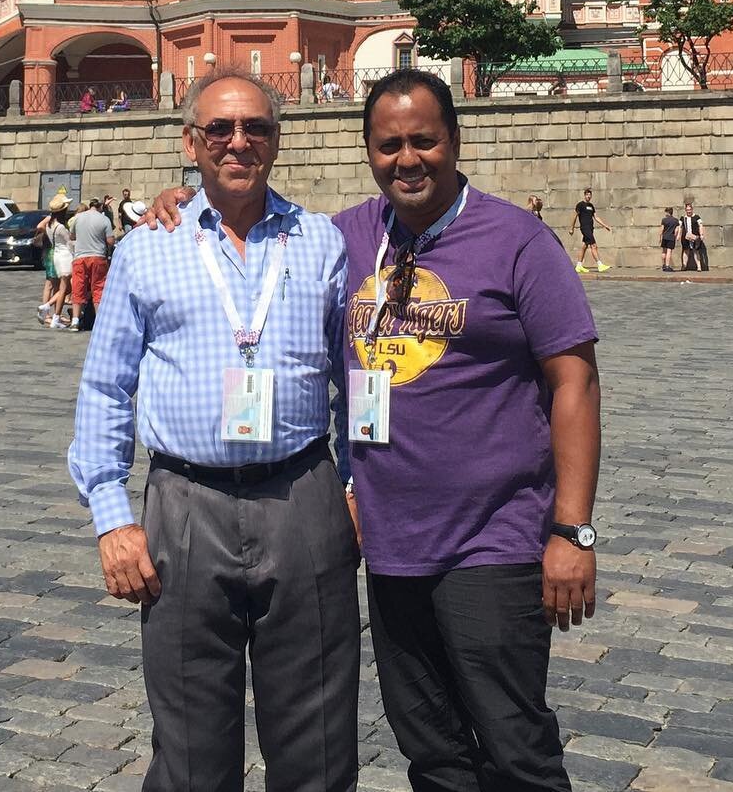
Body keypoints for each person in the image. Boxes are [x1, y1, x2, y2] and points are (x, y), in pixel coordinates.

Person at [148, 69, 601, 792]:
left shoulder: (519, 240)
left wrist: (572, 530)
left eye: (424, 140)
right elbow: (254, 231)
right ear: (368, 151)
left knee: (514, 746)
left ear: (455, 140)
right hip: (388, 542)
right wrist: (179, 200)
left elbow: (573, 382)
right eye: (389, 144)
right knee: (433, 748)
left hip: (493, 538)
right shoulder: (347, 237)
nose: (407, 158)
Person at [69, 71, 357, 792]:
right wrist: (111, 517)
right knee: (192, 746)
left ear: (277, 141)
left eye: (255, 127)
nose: (239, 141)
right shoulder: (147, 246)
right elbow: (106, 387)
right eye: (220, 129)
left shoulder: (321, 240)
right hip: (184, 502)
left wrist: (356, 485)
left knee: (317, 740)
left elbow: (355, 381)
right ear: (190, 143)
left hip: (303, 495)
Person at [69, 196, 114, 332]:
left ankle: (75, 320)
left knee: (78, 287)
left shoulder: (78, 218)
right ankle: (99, 320)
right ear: (100, 206)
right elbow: (110, 240)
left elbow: (72, 236)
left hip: (80, 257)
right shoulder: (104, 219)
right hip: (98, 256)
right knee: (98, 288)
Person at [37, 193, 74, 328]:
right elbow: (69, 242)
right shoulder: (60, 227)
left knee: (64, 287)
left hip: (57, 255)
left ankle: (52, 312)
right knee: (65, 288)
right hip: (65, 256)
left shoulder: (50, 225)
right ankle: (49, 311)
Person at [569, 188, 611, 273]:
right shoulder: (580, 205)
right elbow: (575, 216)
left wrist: (605, 225)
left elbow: (596, 217)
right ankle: (600, 265)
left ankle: (579, 266)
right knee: (594, 245)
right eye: (587, 194)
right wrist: (571, 228)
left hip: (590, 228)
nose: (588, 196)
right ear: (584, 195)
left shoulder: (591, 206)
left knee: (585, 246)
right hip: (585, 228)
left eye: (590, 195)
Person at [659, 206, 680, 272]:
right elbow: (676, 230)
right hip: (671, 237)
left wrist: (660, 238)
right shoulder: (676, 220)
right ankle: (667, 266)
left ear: (668, 212)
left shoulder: (664, 220)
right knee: (669, 251)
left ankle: (664, 265)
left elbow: (661, 230)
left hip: (664, 237)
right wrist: (675, 236)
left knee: (663, 251)